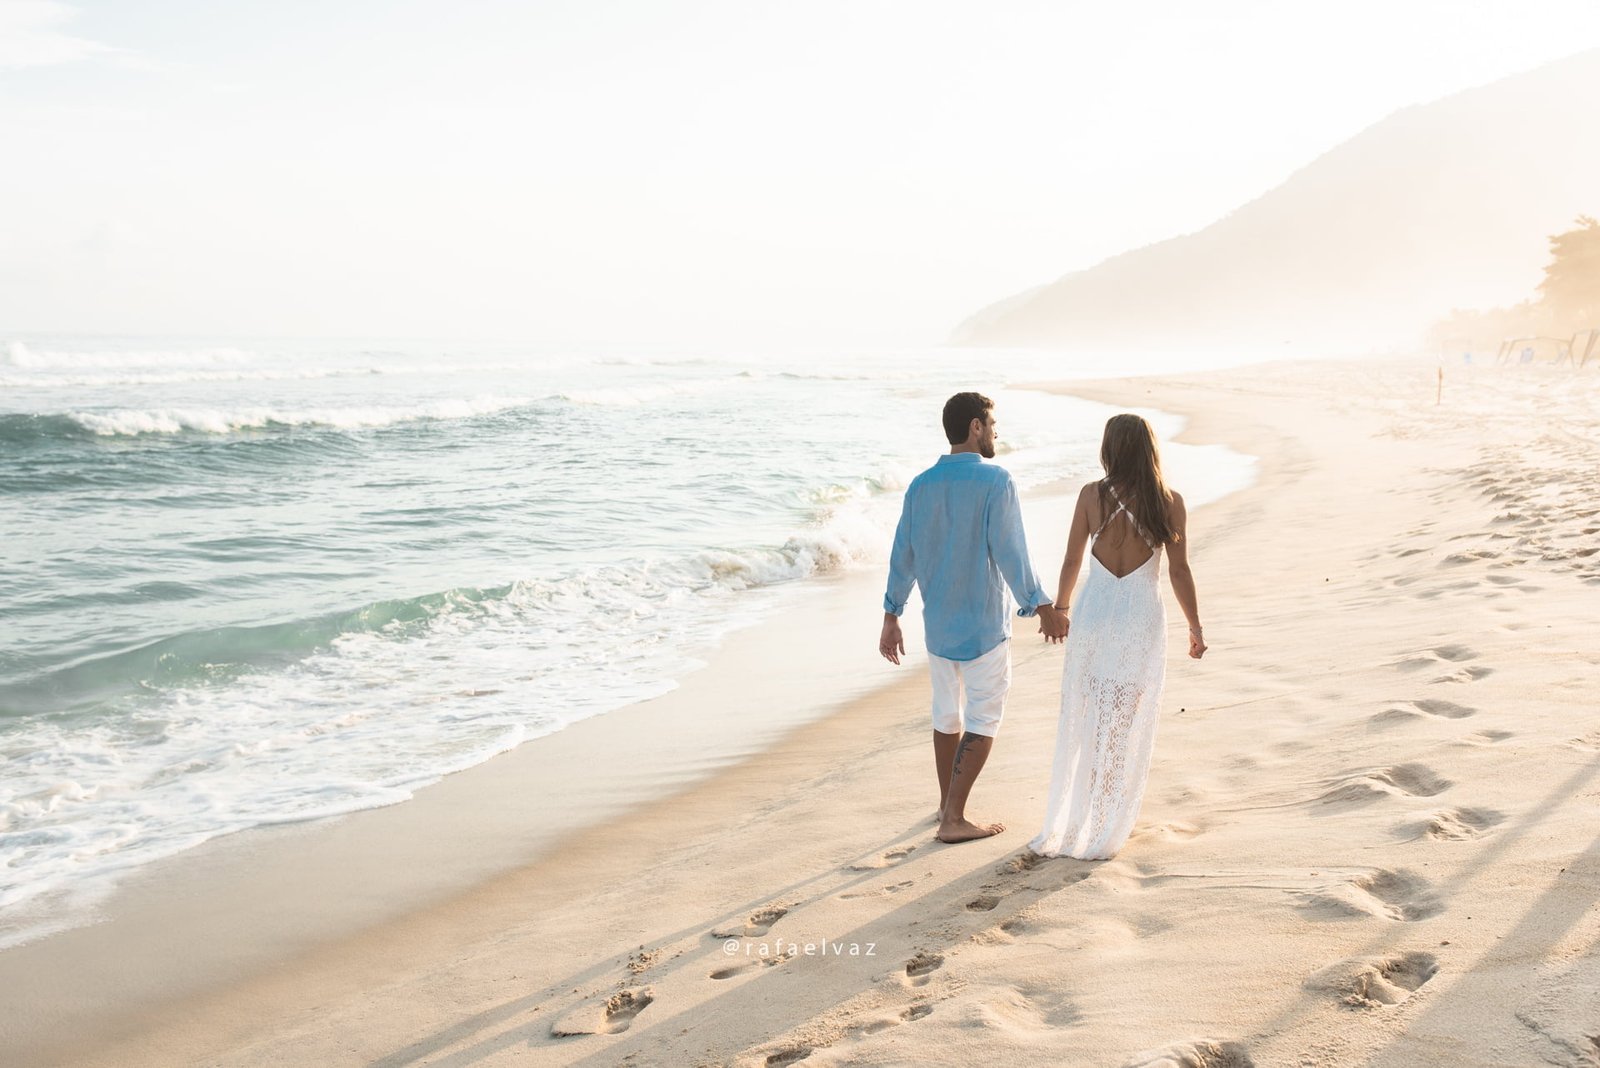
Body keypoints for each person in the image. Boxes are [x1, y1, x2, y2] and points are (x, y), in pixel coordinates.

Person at [880, 392, 1067, 844]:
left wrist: (891, 613)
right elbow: (1010, 549)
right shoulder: (995, 481)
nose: (996, 433)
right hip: (983, 628)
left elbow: (903, 554)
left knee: (946, 716)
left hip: (938, 627)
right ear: (975, 427)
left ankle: (947, 805)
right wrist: (1041, 604)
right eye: (992, 424)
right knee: (984, 718)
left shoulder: (920, 485)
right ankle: (953, 819)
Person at [1029, 413, 1206, 860]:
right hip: (1139, 616)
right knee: (1122, 718)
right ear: (1149, 449)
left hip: (1095, 612)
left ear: (1109, 448)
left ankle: (1087, 809)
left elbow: (1072, 560)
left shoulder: (1091, 495)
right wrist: (1195, 626)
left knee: (1090, 710)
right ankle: (1106, 813)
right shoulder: (1169, 502)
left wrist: (1061, 609)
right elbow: (1179, 571)